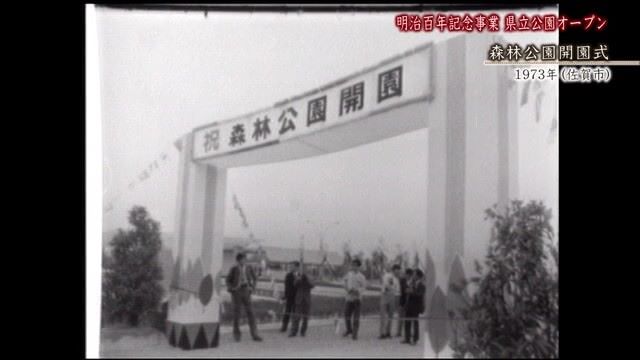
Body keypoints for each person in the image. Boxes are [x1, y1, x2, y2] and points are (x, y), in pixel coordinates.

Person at [226, 252, 263, 342]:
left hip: (246, 291)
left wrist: (253, 288)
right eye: (242, 259)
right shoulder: (234, 268)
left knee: (251, 313)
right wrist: (231, 289)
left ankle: (255, 334)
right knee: (237, 314)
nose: (244, 261)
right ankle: (237, 335)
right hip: (236, 292)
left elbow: (255, 278)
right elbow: (227, 280)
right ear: (238, 260)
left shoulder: (249, 267)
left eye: (245, 259)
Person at [343, 258, 367, 340]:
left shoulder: (362, 277)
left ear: (359, 267)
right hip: (349, 298)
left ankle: (355, 333)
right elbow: (344, 282)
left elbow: (363, 287)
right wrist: (347, 289)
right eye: (353, 265)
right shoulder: (349, 274)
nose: (354, 267)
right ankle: (349, 330)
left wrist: (358, 291)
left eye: (356, 266)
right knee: (346, 315)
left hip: (357, 299)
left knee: (356, 317)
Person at [289, 267, 315, 337]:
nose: (305, 272)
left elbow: (312, 285)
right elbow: (294, 284)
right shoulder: (298, 277)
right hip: (299, 299)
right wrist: (299, 279)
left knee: (305, 318)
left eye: (307, 271)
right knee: (296, 317)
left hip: (307, 300)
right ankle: (293, 332)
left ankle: (303, 332)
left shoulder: (311, 277)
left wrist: (306, 278)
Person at [402, 268, 425, 345]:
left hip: (416, 306)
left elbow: (419, 295)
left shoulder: (422, 285)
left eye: (415, 274)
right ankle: (407, 338)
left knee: (415, 323)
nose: (413, 276)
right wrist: (408, 290)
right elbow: (407, 290)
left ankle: (415, 339)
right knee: (407, 322)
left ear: (418, 276)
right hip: (409, 306)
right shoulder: (411, 283)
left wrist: (411, 292)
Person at [379, 264, 401, 339]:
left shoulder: (397, 279)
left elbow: (397, 291)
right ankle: (382, 333)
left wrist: (396, 299)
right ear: (393, 270)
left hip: (392, 297)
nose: (398, 272)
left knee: (391, 316)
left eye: (399, 271)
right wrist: (391, 289)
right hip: (385, 295)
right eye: (397, 270)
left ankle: (388, 332)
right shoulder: (387, 275)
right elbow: (386, 285)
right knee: (383, 315)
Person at [280, 261, 299, 333]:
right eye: (290, 266)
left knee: (296, 312)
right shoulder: (288, 275)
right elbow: (286, 287)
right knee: (287, 312)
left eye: (292, 266)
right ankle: (284, 326)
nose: (291, 268)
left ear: (297, 267)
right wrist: (285, 296)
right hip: (290, 297)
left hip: (297, 297)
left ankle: (294, 328)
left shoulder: (301, 275)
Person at [396, 268, 413, 338]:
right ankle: (399, 332)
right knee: (400, 317)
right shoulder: (402, 280)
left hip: (410, 302)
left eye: (406, 274)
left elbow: (412, 290)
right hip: (402, 301)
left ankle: (408, 332)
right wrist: (410, 290)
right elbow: (404, 289)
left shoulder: (412, 281)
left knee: (408, 318)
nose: (406, 275)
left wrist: (409, 290)